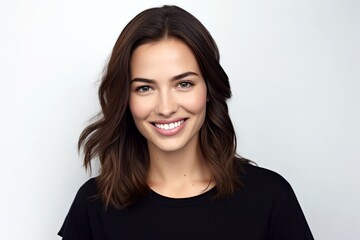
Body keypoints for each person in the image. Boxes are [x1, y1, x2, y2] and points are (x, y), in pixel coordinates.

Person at [58, 5, 314, 240]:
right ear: (125, 99)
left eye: (184, 84)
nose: (166, 108)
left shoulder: (270, 198)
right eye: (145, 88)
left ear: (209, 89)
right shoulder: (94, 204)